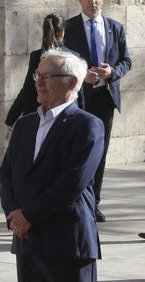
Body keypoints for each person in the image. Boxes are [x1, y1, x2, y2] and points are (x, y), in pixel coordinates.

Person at [0, 49, 104, 282]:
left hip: (69, 244)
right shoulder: (26, 123)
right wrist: (14, 215)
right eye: (37, 76)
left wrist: (29, 215)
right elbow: (6, 175)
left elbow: (72, 182)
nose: (39, 82)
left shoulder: (88, 125)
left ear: (71, 83)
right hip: (28, 244)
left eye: (47, 77)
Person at [63, 0, 132, 222]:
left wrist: (112, 72)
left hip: (105, 98)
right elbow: (62, 60)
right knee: (76, 152)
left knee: (99, 153)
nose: (93, 2)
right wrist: (83, 76)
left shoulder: (115, 27)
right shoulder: (69, 27)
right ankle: (75, 199)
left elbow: (126, 61)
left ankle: (94, 203)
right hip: (79, 99)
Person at [5, 13, 84, 130]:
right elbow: (78, 92)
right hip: (66, 117)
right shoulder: (73, 56)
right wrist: (82, 117)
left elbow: (27, 90)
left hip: (39, 116)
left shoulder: (37, 56)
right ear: (62, 33)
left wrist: (11, 117)